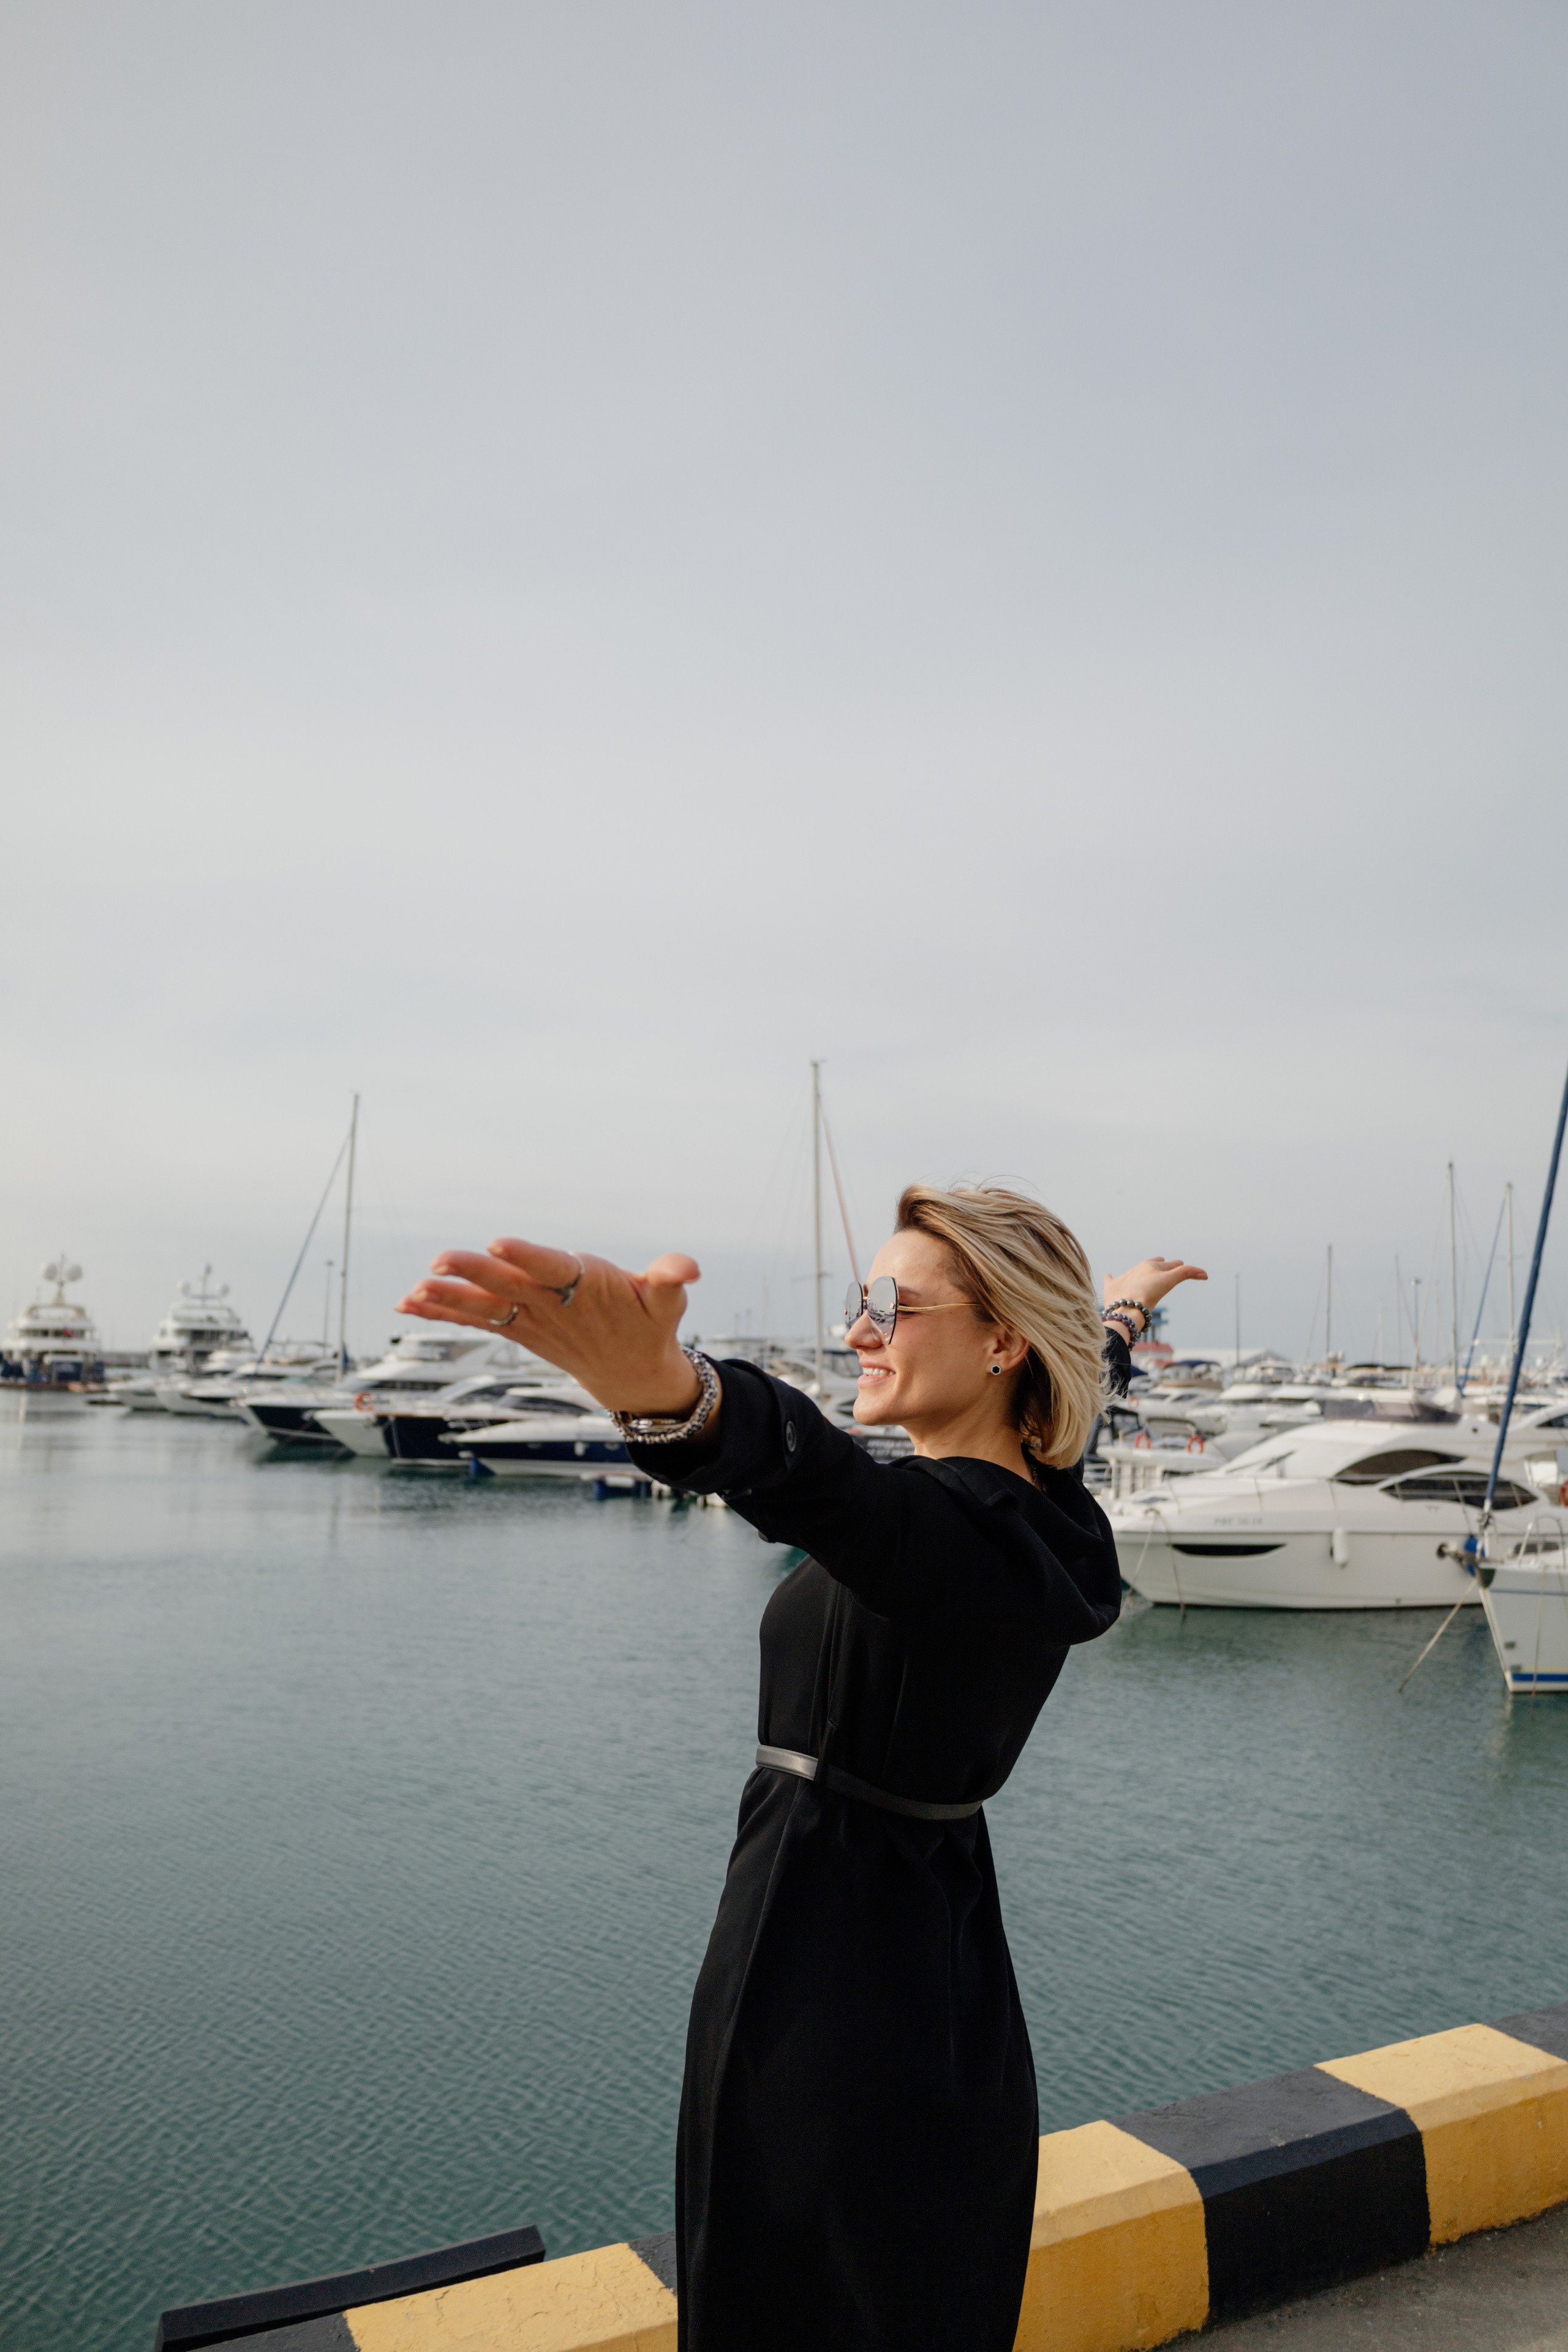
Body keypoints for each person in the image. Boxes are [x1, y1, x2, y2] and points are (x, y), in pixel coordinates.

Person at [400, 1183, 1205, 2352]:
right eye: (857, 1300)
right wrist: (1118, 1313)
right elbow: (1073, 1387)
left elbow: (822, 1484)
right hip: (939, 1965)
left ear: (1001, 1341)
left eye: (886, 1303)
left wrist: (672, 1393)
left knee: (788, 2299)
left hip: (823, 1985)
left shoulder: (953, 1542)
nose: (857, 1331)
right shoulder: (1051, 1518)